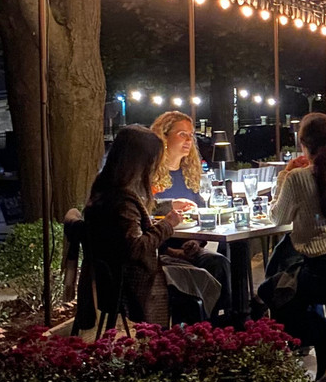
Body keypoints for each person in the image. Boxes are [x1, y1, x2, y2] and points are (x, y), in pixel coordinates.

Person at [83, 125, 222, 325]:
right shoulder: (122, 201)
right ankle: (207, 330)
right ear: (140, 162)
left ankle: (213, 326)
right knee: (208, 273)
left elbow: (124, 238)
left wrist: (173, 249)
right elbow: (136, 248)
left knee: (213, 262)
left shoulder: (105, 188)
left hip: (118, 275)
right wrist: (168, 224)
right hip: (136, 280)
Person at [258, 113, 326, 382]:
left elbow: (277, 219)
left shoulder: (297, 178)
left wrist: (284, 176)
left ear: (301, 142)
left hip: (319, 272)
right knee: (289, 290)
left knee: (271, 292)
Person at [150, 111, 236, 326]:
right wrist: (171, 206)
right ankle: (206, 327)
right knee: (218, 264)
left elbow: (200, 214)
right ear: (164, 137)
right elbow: (146, 214)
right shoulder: (149, 175)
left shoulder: (189, 175)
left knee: (223, 258)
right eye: (182, 134)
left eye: (191, 135)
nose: (189, 140)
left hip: (191, 245)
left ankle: (219, 323)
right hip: (162, 249)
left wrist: (197, 242)